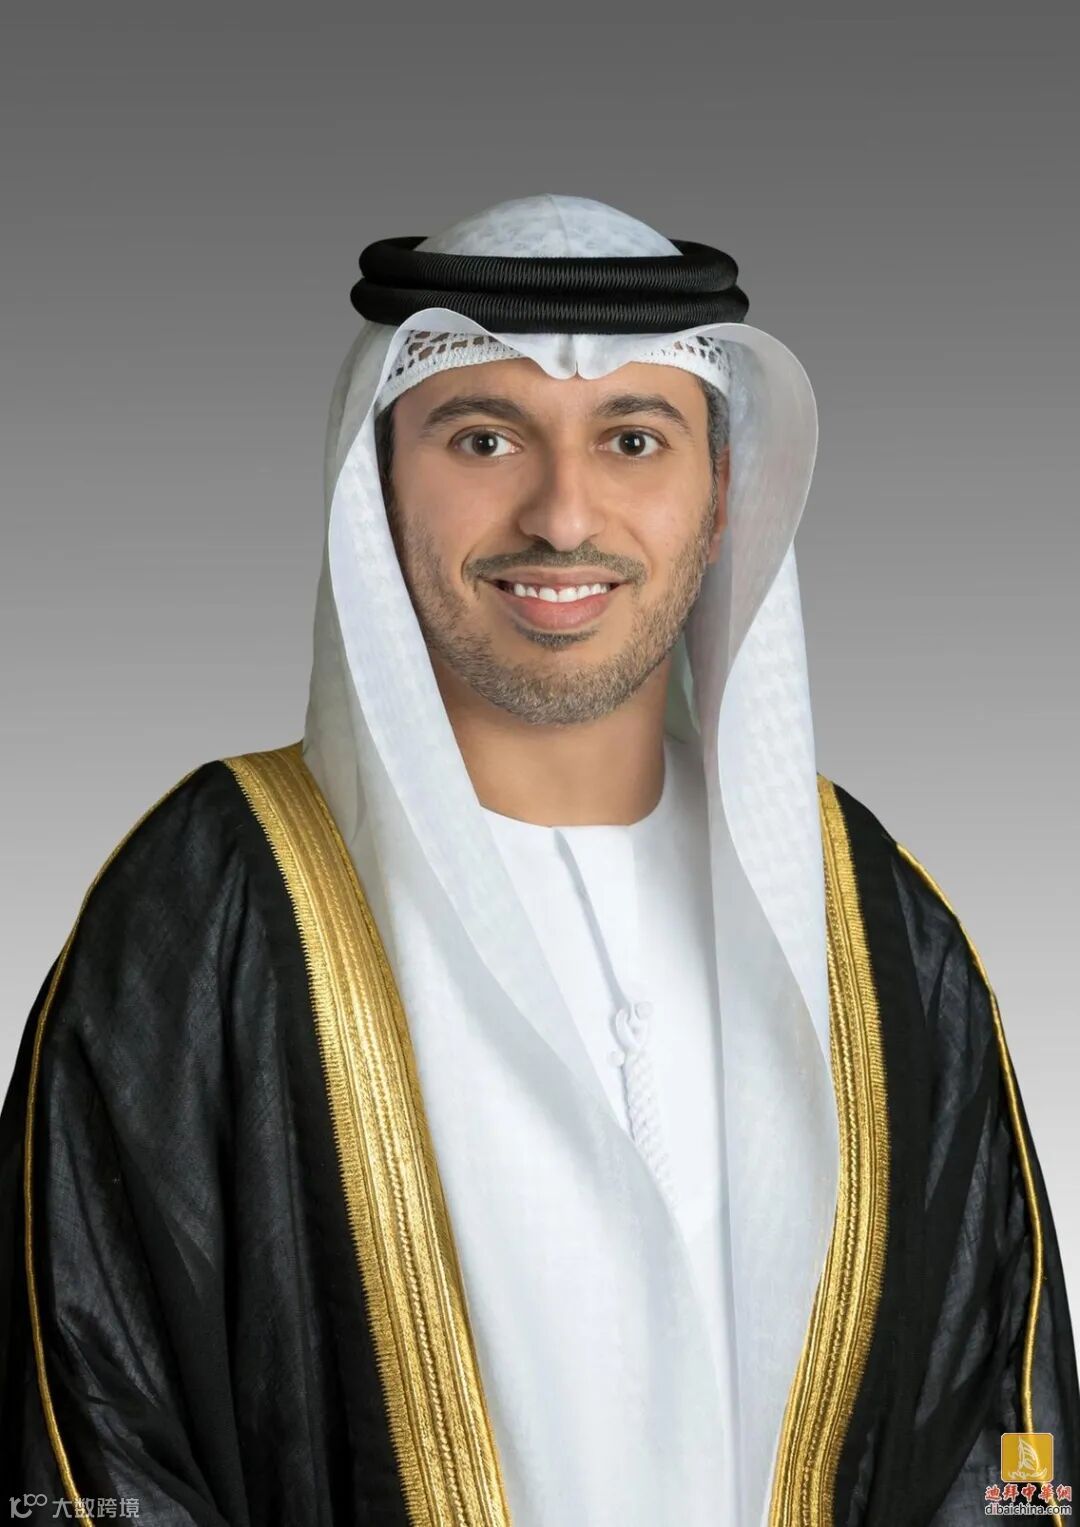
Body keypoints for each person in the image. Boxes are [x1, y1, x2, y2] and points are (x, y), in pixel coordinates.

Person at [0, 193, 1076, 1527]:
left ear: (721, 494)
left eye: (633, 438)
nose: (564, 516)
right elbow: (84, 1436)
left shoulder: (870, 919)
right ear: (379, 480)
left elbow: (1004, 1426)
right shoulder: (205, 906)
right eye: (485, 436)